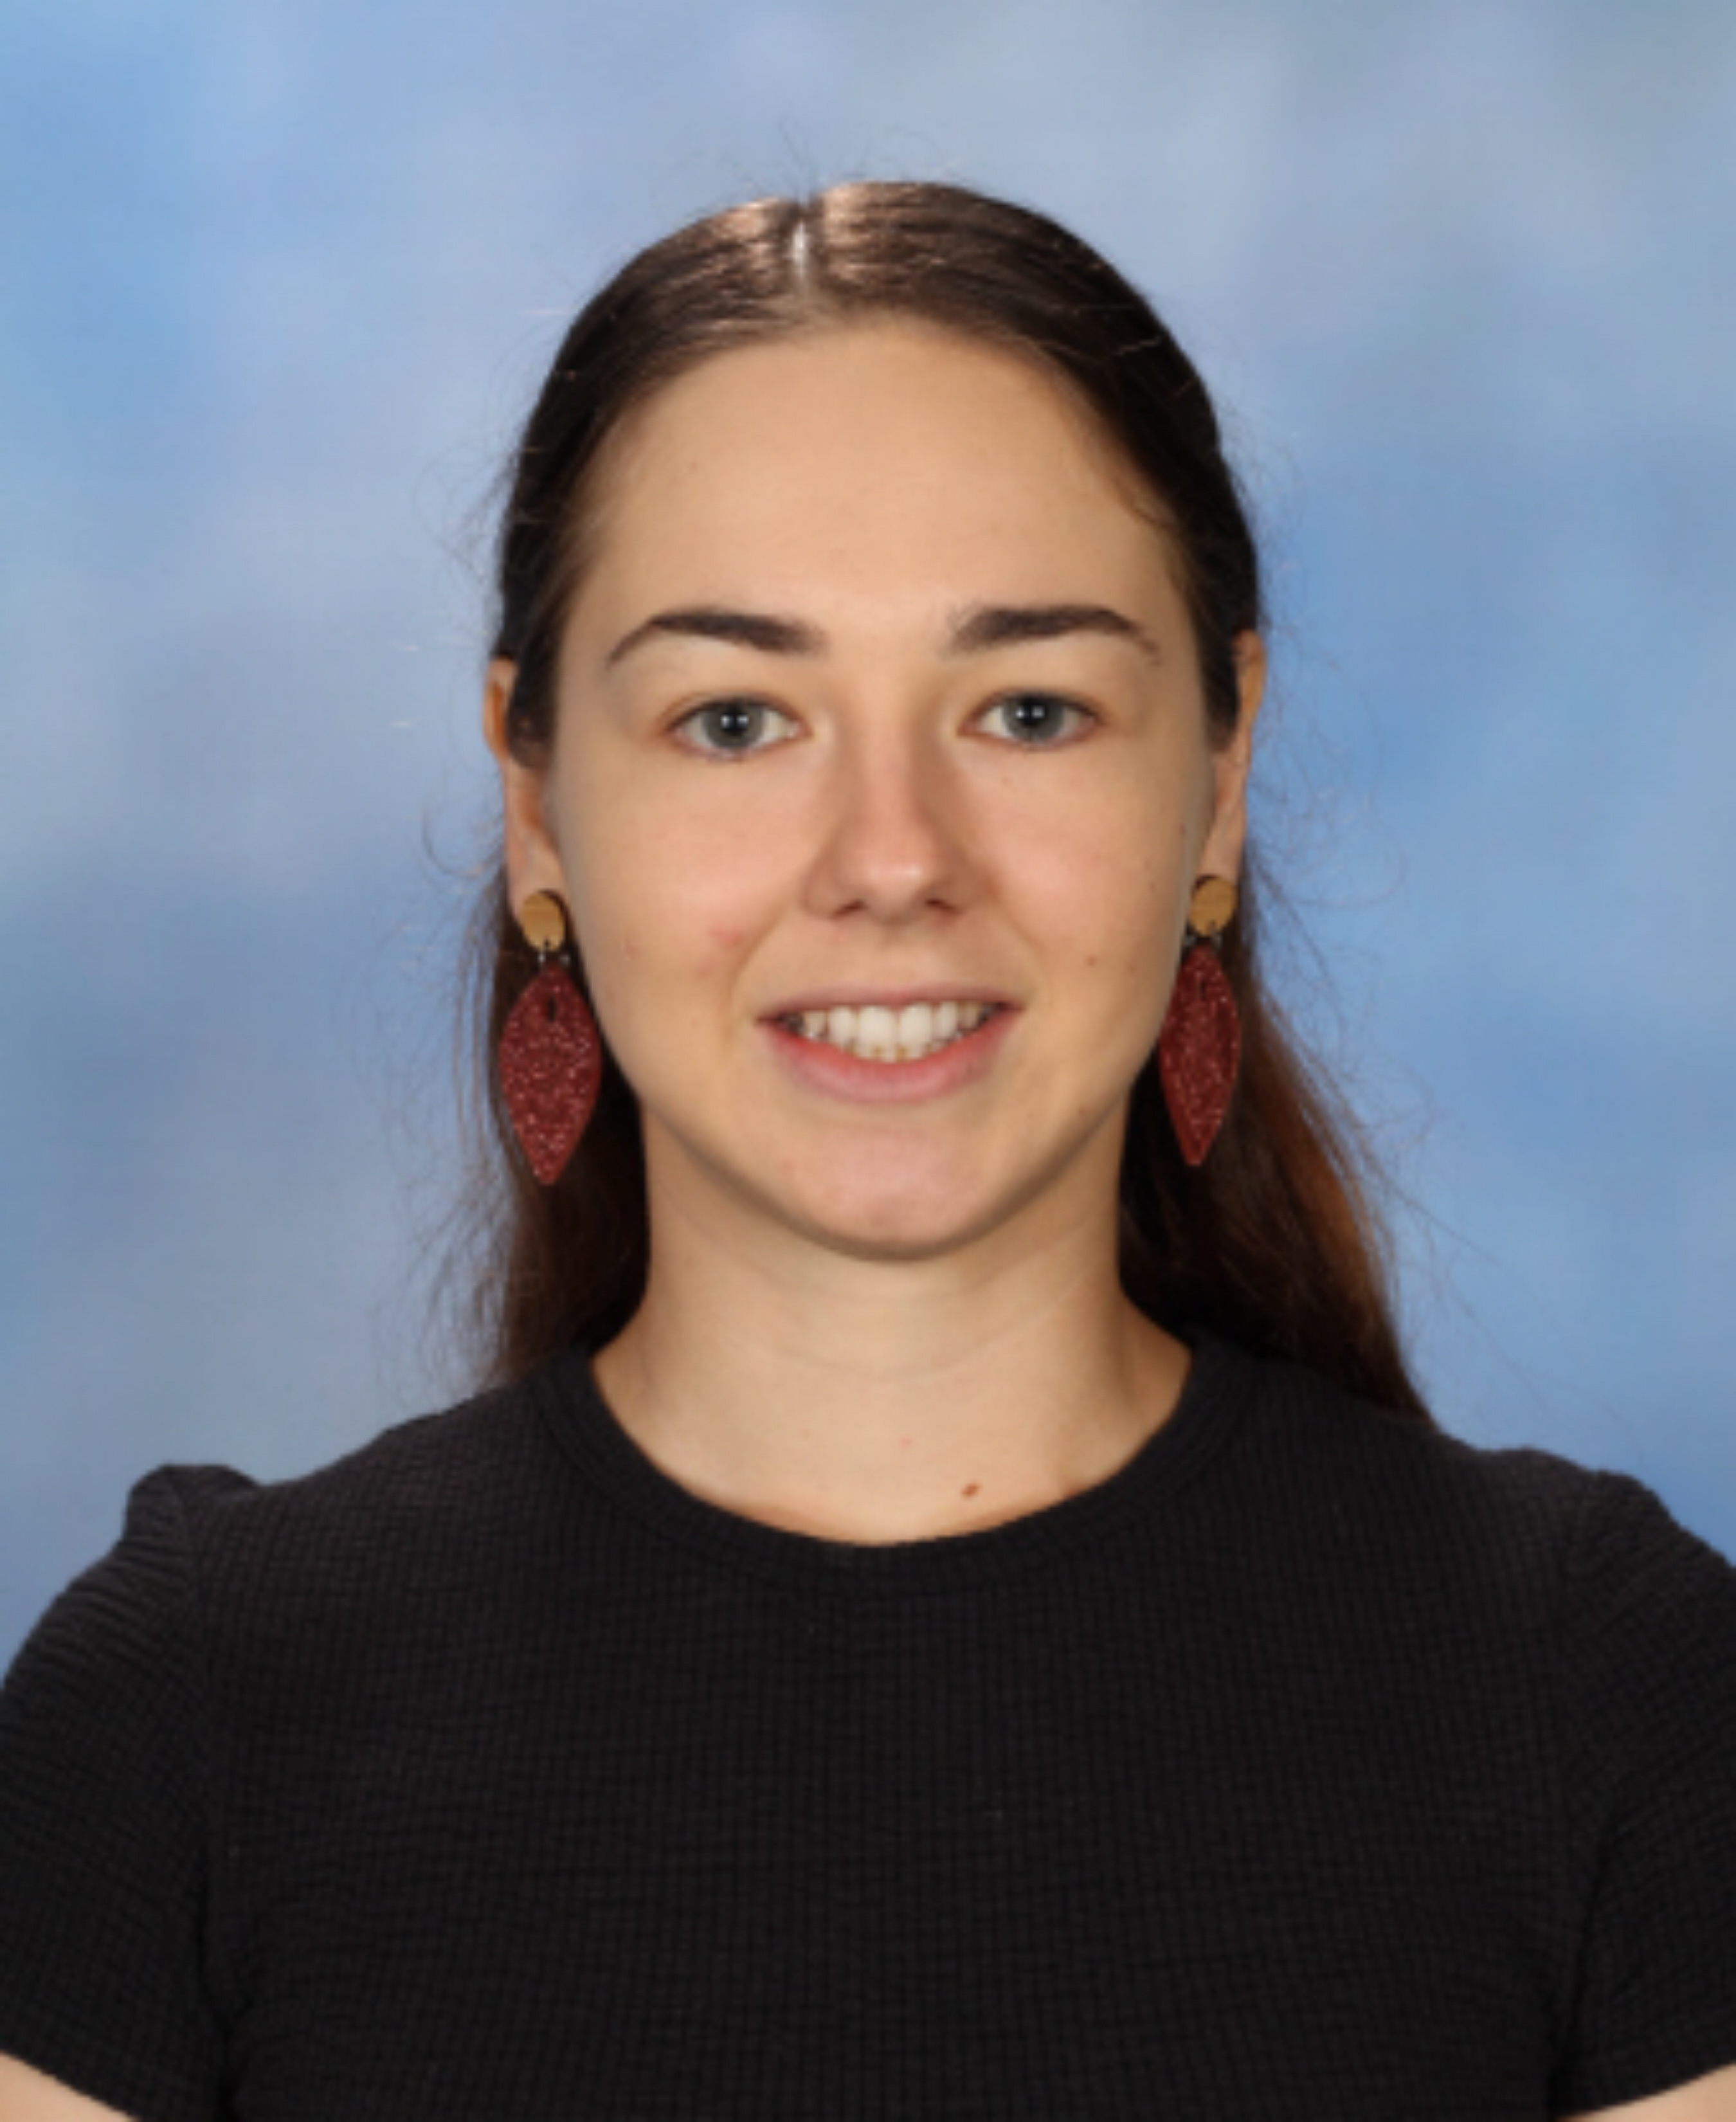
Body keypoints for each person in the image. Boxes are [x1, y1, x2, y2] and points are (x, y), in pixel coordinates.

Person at [1, 179, 1733, 2122]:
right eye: (737, 719)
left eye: (1028, 709)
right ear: (537, 802)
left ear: (1221, 771)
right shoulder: (184, 1721)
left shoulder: (1612, 1696)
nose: (893, 860)